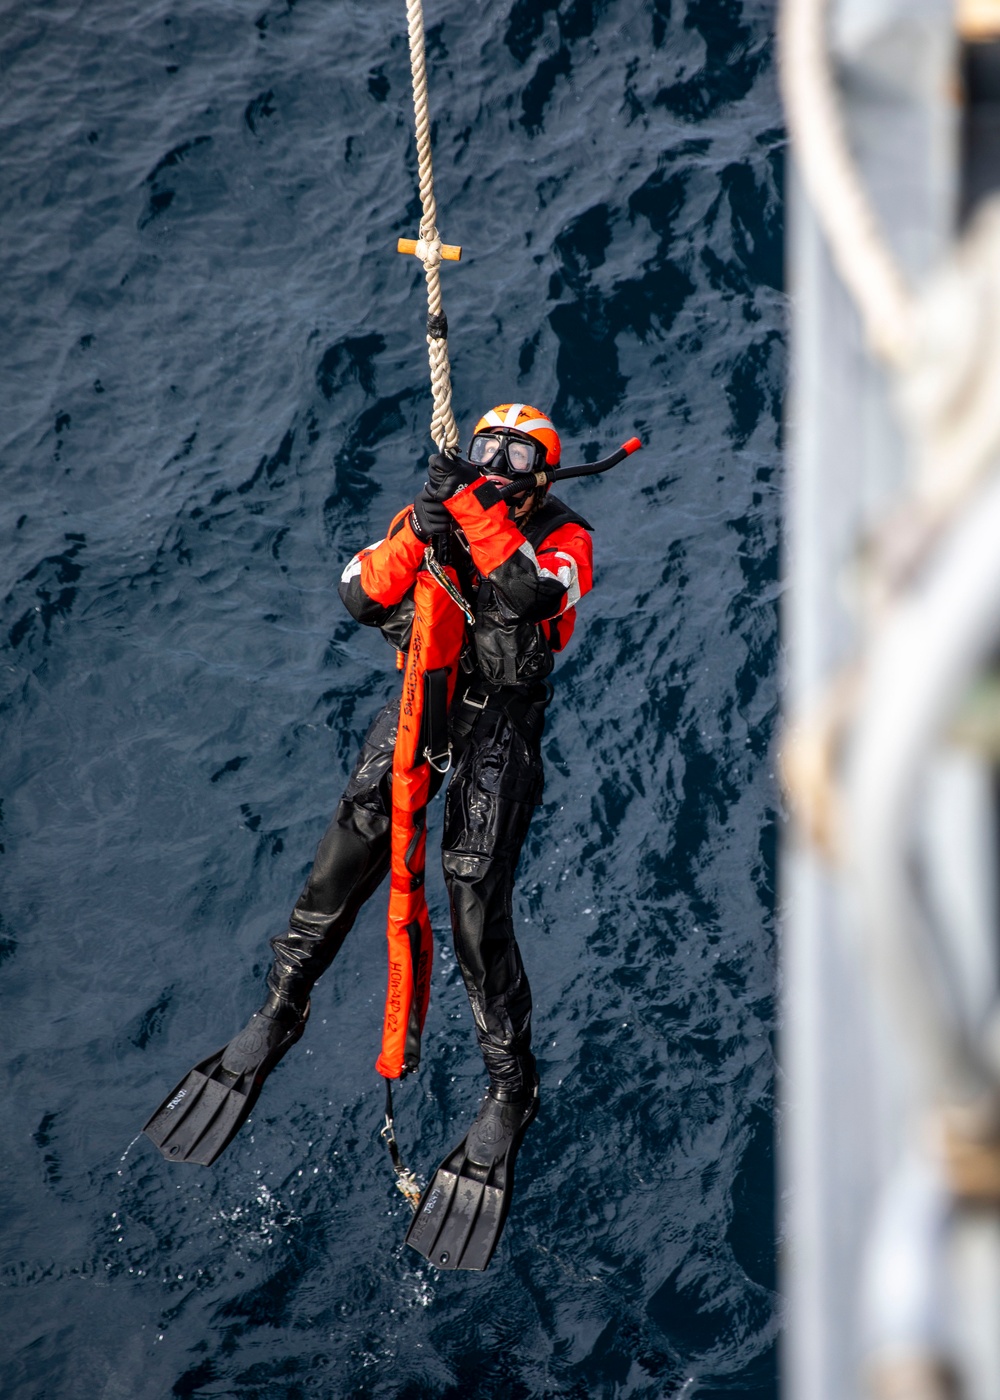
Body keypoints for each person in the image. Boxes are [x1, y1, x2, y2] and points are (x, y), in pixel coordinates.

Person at [144, 403, 594, 1265]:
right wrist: (418, 530)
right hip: (422, 703)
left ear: (543, 475)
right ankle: (281, 1007)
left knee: (472, 900)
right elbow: (359, 593)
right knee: (341, 858)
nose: (495, 462)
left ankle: (510, 1088)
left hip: (500, 726)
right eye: (486, 448)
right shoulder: (429, 515)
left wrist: (467, 514)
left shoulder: (565, 540)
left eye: (516, 455)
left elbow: (531, 592)